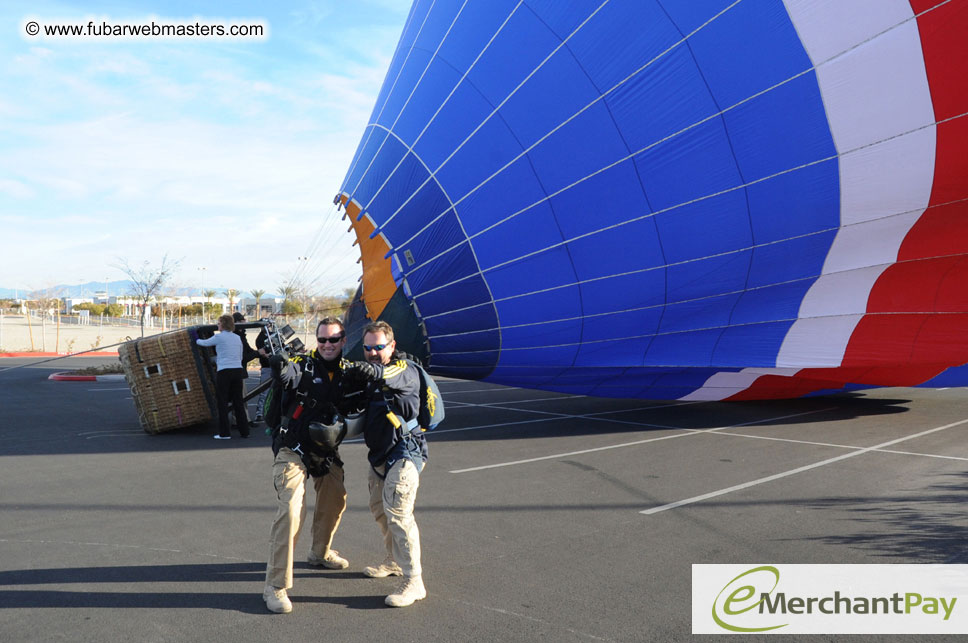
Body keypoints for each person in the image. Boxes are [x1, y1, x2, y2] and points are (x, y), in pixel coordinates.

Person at [262, 317, 359, 614]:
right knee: (292, 509)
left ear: (344, 340)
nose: (327, 345)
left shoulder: (349, 372)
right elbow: (288, 375)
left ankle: (320, 552)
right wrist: (279, 367)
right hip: (292, 448)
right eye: (322, 340)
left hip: (325, 451)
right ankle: (275, 585)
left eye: (334, 339)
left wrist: (401, 364)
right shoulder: (302, 365)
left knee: (335, 498)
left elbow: (373, 387)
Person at [344, 320, 428, 608]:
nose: (372, 353)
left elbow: (388, 374)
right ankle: (393, 560)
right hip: (379, 454)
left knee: (399, 514)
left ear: (392, 345)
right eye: (367, 348)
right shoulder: (371, 376)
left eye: (379, 347)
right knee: (380, 510)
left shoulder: (405, 369)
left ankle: (414, 581)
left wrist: (370, 370)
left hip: (405, 452)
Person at [195, 313, 249, 440]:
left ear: (223, 325)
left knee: (222, 402)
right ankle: (244, 431)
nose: (217, 325)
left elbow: (204, 343)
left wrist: (195, 336)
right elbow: (240, 355)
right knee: (238, 402)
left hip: (224, 371)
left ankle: (225, 433)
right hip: (237, 370)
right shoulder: (237, 338)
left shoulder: (219, 337)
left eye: (219, 323)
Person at [253, 323, 273, 422]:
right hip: (267, 366)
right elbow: (262, 352)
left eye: (269, 325)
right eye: (265, 325)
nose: (268, 327)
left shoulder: (274, 335)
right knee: (264, 391)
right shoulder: (260, 339)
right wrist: (267, 355)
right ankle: (259, 413)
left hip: (277, 366)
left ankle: (275, 412)